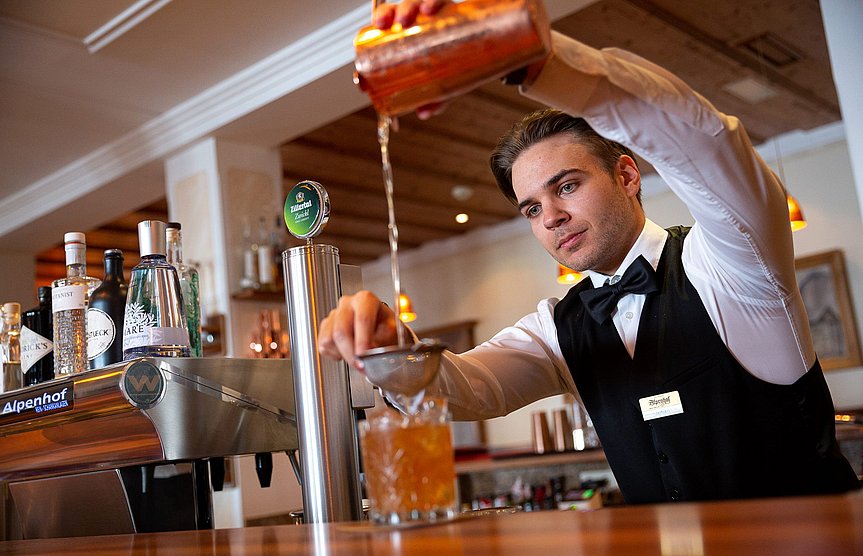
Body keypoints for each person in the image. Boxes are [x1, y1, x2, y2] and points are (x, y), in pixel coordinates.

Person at [320, 0, 861, 503]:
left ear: (627, 175)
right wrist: (394, 349)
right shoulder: (559, 326)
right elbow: (463, 389)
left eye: (567, 186)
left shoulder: (734, 263)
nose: (550, 215)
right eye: (531, 208)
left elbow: (703, 141)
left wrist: (530, 54)